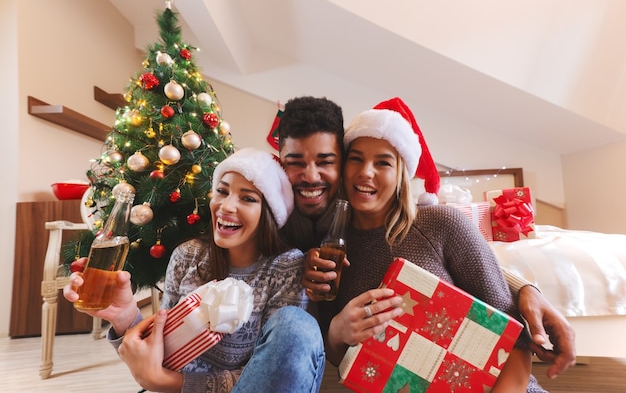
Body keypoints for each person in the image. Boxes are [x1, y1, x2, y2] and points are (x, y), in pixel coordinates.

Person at [278, 96, 576, 379]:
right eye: (357, 159)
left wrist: (525, 288)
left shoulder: (440, 223)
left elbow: (510, 336)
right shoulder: (321, 243)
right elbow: (338, 352)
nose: (311, 175)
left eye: (383, 162)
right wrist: (336, 332)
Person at [64, 147, 325, 393]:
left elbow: (267, 377)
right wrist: (125, 317)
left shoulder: (285, 267)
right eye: (222, 192)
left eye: (247, 198)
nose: (226, 206)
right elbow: (164, 354)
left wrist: (168, 382)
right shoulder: (187, 256)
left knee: (295, 325)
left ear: (269, 213)